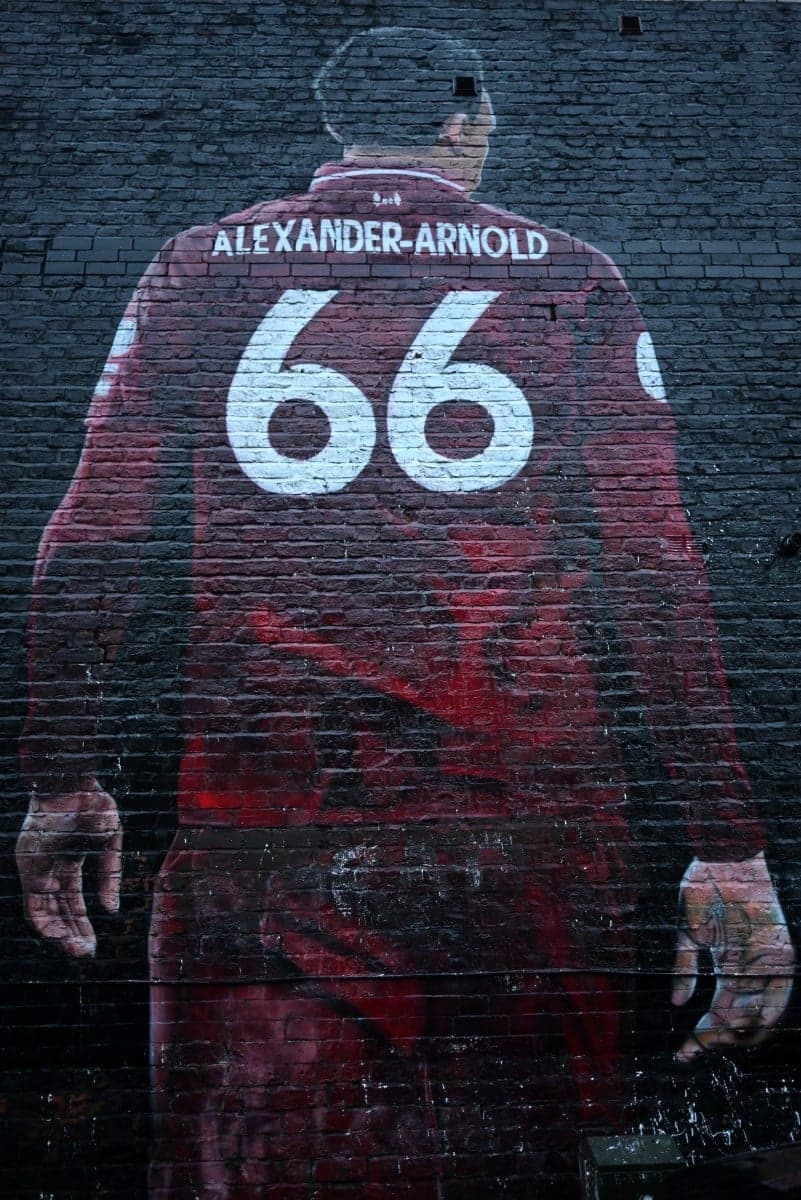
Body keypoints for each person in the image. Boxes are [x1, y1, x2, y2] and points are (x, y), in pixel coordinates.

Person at [16, 26, 794, 1200]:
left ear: (338, 129)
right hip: (532, 829)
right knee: (531, 1172)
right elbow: (654, 564)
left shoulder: (200, 265)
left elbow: (92, 543)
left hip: (268, 823)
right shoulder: (567, 273)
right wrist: (728, 840)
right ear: (467, 124)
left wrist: (60, 774)